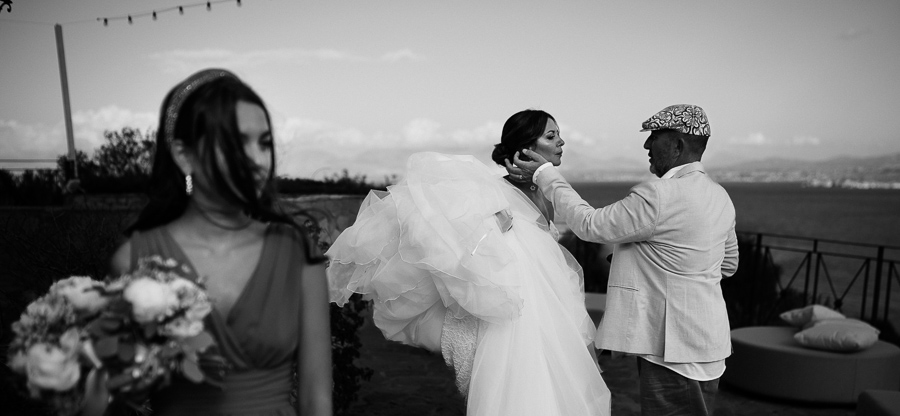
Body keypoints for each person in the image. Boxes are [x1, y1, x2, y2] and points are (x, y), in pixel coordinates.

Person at [327, 110, 611, 416]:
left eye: (558, 135)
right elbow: (461, 249)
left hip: (544, 316)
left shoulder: (541, 194)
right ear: (526, 149)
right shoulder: (495, 194)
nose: (562, 142)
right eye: (551, 136)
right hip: (512, 320)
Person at [103, 68, 332, 416]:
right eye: (237, 143)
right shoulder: (133, 260)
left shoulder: (294, 252)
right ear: (184, 156)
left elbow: (317, 399)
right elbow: (119, 399)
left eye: (265, 143)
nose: (257, 160)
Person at [510, 104, 739, 416]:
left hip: (673, 351)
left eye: (654, 136)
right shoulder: (720, 196)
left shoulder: (660, 195)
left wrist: (546, 175)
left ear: (677, 144)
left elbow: (589, 225)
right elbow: (728, 265)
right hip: (710, 347)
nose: (646, 145)